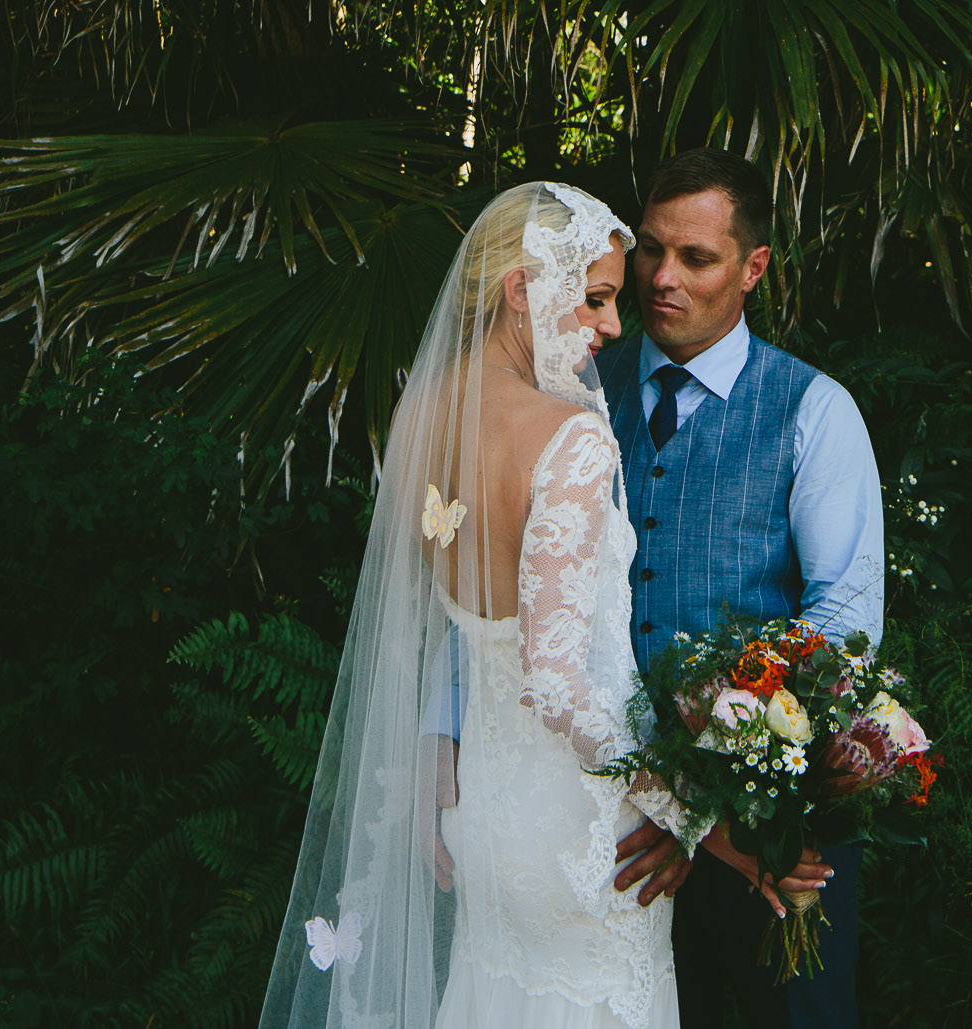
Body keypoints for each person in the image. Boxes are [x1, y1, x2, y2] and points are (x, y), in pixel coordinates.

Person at [257, 181, 819, 1029]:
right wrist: (711, 828)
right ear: (524, 288)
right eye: (594, 298)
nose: (613, 327)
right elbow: (559, 683)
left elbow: (458, 624)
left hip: (482, 819)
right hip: (581, 839)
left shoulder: (423, 421)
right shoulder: (571, 437)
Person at [599, 149, 887, 1029]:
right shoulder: (575, 393)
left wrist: (707, 813)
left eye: (696, 258)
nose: (660, 278)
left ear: (754, 267)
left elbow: (841, 626)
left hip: (770, 838)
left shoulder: (814, 410)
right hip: (604, 825)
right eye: (650, 249)